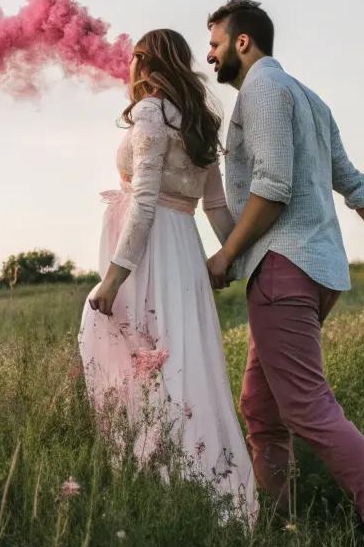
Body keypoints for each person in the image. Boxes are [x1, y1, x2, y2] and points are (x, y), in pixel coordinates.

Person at [204, 0, 364, 547]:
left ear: (243, 43)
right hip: (318, 271)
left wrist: (226, 256)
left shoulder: (261, 92)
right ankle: (277, 529)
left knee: (309, 410)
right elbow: (352, 182)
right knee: (261, 410)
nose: (207, 54)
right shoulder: (310, 98)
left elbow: (274, 185)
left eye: (213, 42)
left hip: (283, 267)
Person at [79, 28, 256, 515]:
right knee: (179, 360)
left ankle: (160, 484)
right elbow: (217, 207)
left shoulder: (152, 112)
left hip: (150, 249)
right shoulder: (198, 118)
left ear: (142, 60)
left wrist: (113, 278)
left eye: (133, 59)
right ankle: (195, 479)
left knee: (139, 356)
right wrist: (237, 258)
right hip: (183, 246)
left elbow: (144, 202)